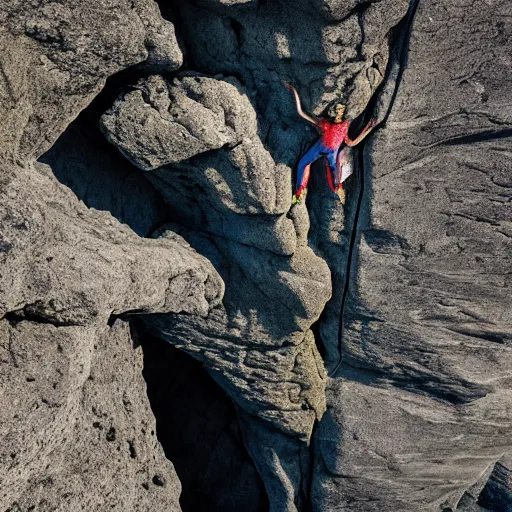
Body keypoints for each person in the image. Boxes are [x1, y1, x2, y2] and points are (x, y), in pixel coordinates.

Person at [284, 82, 376, 203]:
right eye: (338, 111)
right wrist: (294, 91)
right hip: (324, 150)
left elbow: (352, 142)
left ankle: (303, 193)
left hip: (327, 152)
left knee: (322, 171)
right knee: (305, 165)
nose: (339, 114)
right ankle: (299, 193)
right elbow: (301, 113)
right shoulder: (331, 125)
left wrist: (367, 129)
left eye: (340, 111)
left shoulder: (339, 126)